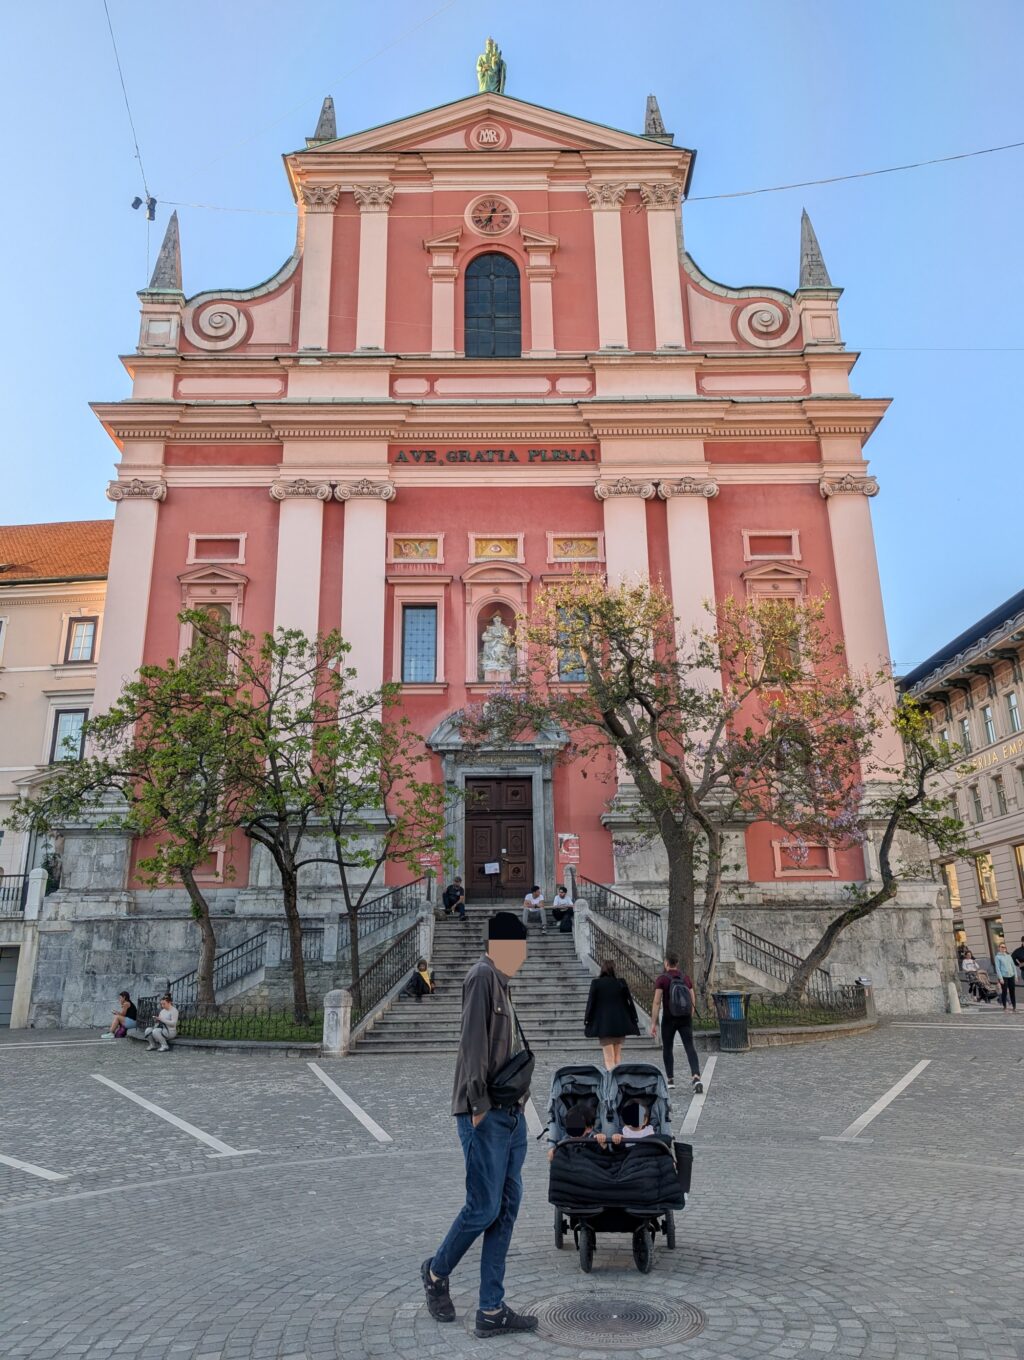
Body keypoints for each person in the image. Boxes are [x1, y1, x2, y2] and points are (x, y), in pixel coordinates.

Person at [421, 911, 538, 1338]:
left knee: (505, 1208)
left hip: (511, 1114)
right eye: (518, 947)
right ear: (501, 946)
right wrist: (478, 1103)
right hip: (485, 1113)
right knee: (484, 1207)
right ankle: (436, 1272)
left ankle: (491, 1309)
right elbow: (472, 1044)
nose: (523, 955)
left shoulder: (503, 983)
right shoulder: (481, 977)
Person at [650, 954, 703, 1094]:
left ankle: (670, 1080)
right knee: (690, 1047)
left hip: (669, 1018)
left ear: (666, 963)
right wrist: (689, 1015)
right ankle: (696, 1077)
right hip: (685, 1018)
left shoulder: (662, 979)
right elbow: (692, 999)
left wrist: (653, 1023)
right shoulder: (685, 978)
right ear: (677, 963)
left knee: (667, 1048)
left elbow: (656, 1002)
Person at [584, 960, 640, 1070]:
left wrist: (587, 1019)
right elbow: (629, 1002)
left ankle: (612, 1079)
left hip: (604, 1025)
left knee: (609, 1059)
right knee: (617, 1057)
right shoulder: (621, 983)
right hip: (620, 1024)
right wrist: (634, 1017)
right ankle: (617, 1078)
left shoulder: (596, 983)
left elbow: (591, 1003)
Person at [993, 943, 1017, 1012]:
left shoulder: (1009, 956)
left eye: (1004, 947)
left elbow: (1013, 966)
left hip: (1011, 976)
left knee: (1012, 992)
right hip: (1004, 977)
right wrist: (1000, 978)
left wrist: (1015, 976)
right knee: (1004, 991)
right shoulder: (997, 957)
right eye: (1002, 947)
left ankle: (1014, 1007)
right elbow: (997, 968)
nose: (1003, 948)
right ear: (999, 948)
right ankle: (1005, 1007)